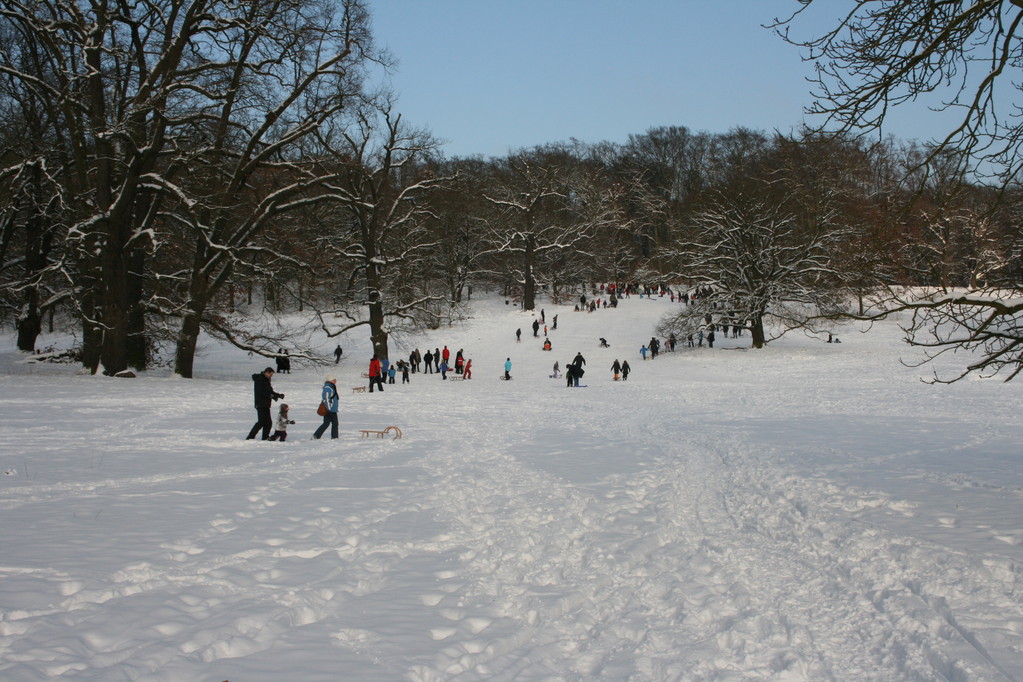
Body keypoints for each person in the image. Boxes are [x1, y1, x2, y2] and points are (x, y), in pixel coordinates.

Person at [246, 367, 283, 440]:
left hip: (266, 404)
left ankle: (265, 437)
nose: (271, 376)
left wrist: (278, 395)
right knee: (261, 422)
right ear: (267, 372)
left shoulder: (266, 380)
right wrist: (271, 396)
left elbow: (269, 391)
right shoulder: (260, 380)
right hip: (260, 404)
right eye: (271, 374)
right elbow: (261, 392)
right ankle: (250, 437)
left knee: (268, 422)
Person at [313, 375, 339, 439]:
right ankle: (316, 436)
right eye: (334, 380)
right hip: (329, 409)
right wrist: (329, 408)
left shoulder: (332, 387)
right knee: (327, 424)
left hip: (332, 409)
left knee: (333, 423)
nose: (335, 381)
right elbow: (326, 399)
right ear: (330, 380)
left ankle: (334, 437)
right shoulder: (328, 388)